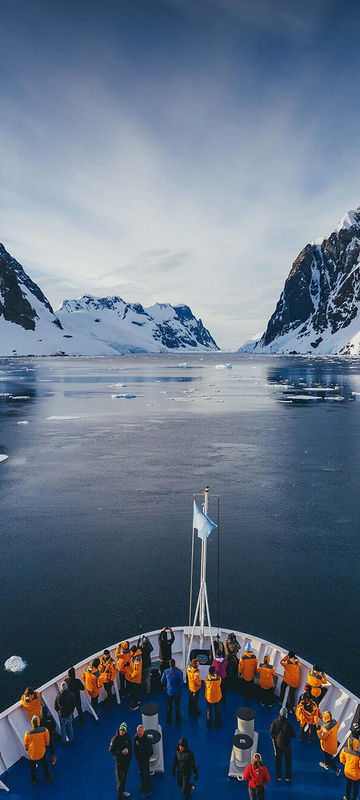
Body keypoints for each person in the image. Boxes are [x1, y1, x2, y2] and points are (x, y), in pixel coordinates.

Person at [24, 715, 53, 786]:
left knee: (32, 767)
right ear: (39, 722)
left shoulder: (27, 733)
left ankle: (34, 781)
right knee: (44, 765)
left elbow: (26, 743)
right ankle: (48, 778)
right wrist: (46, 744)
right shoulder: (44, 730)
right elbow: (47, 740)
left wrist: (27, 749)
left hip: (32, 754)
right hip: (41, 752)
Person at [270, 707, 295, 782]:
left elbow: (272, 732)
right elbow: (293, 735)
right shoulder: (289, 724)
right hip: (287, 745)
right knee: (288, 761)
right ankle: (288, 777)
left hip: (278, 744)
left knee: (278, 760)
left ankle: (279, 775)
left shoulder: (275, 722)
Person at [109, 722, 132, 800]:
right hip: (119, 763)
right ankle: (120, 798)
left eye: (124, 730)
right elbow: (111, 751)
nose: (122, 732)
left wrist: (129, 758)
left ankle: (123, 791)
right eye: (121, 730)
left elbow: (130, 748)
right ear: (119, 729)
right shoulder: (114, 739)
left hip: (126, 762)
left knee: (124, 778)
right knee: (119, 781)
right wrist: (120, 752)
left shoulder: (127, 737)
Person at [317, 710, 341, 775]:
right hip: (333, 744)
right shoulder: (335, 722)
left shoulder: (325, 728)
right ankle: (326, 764)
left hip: (327, 746)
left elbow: (322, 737)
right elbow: (338, 727)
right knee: (327, 756)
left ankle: (336, 769)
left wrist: (318, 731)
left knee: (328, 758)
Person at [134, 723, 153, 799]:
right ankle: (143, 785)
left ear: (143, 732)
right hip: (139, 760)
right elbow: (135, 747)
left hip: (145, 760)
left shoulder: (147, 740)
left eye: (141, 731)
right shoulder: (136, 738)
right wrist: (137, 757)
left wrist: (145, 758)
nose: (139, 732)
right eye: (138, 731)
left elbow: (151, 752)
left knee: (146, 775)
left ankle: (148, 790)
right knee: (141, 773)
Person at [161, 658, 183, 724]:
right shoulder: (178, 673)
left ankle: (169, 720)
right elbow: (181, 683)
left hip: (169, 692)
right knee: (177, 706)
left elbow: (162, 681)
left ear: (169, 664)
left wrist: (166, 686)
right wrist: (179, 689)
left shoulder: (166, 671)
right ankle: (178, 719)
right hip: (177, 692)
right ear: (174, 664)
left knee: (169, 706)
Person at [125, 644, 143, 710]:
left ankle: (136, 705)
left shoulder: (137, 659)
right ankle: (136, 700)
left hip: (135, 679)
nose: (130, 653)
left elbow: (137, 670)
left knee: (135, 692)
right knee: (134, 691)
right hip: (133, 679)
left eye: (131, 652)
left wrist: (131, 676)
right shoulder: (134, 657)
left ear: (134, 652)